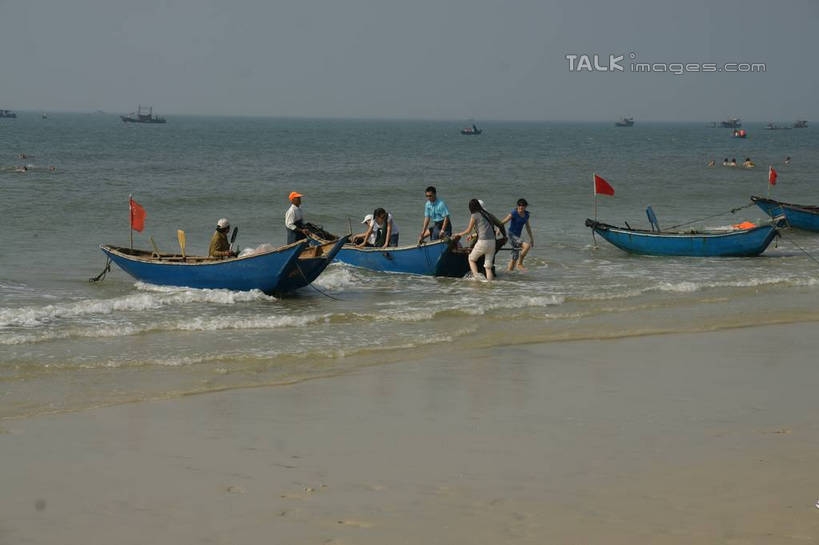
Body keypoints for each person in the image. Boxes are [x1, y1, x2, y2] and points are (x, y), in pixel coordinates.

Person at [453, 199, 506, 281]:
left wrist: (458, 234)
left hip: (483, 242)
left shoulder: (474, 215)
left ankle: (477, 278)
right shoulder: (488, 214)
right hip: (492, 243)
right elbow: (501, 224)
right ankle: (490, 286)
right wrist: (505, 236)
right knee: (488, 267)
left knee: (471, 259)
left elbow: (468, 230)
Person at [501, 198, 534, 272]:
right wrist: (498, 229)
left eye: (522, 206)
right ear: (517, 206)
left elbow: (528, 227)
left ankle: (508, 275)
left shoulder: (526, 215)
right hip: (511, 235)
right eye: (519, 205)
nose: (521, 207)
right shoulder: (514, 213)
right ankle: (520, 264)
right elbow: (504, 221)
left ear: (525, 207)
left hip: (517, 237)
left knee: (514, 259)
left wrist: (531, 238)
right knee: (526, 246)